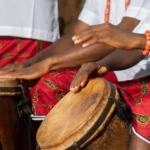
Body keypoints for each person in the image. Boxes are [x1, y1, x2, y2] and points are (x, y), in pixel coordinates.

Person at [1, 1, 150, 149]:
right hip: (114, 64)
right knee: (45, 85)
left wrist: (48, 63)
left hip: (134, 73)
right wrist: (31, 62)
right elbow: (76, 35)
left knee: (53, 82)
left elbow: (123, 39)